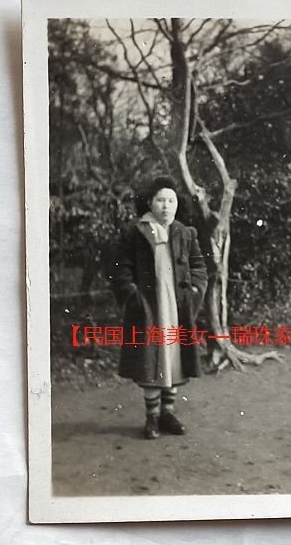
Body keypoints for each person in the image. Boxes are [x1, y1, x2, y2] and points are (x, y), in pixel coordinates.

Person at [109, 175, 208, 439]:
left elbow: (199, 267)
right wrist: (133, 297)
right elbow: (120, 269)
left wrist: (194, 293)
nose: (166, 206)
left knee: (174, 357)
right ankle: (152, 417)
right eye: (160, 200)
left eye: (171, 200)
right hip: (149, 309)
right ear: (150, 203)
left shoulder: (185, 233)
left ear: (178, 204)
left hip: (176, 307)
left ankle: (168, 413)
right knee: (151, 359)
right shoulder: (135, 232)